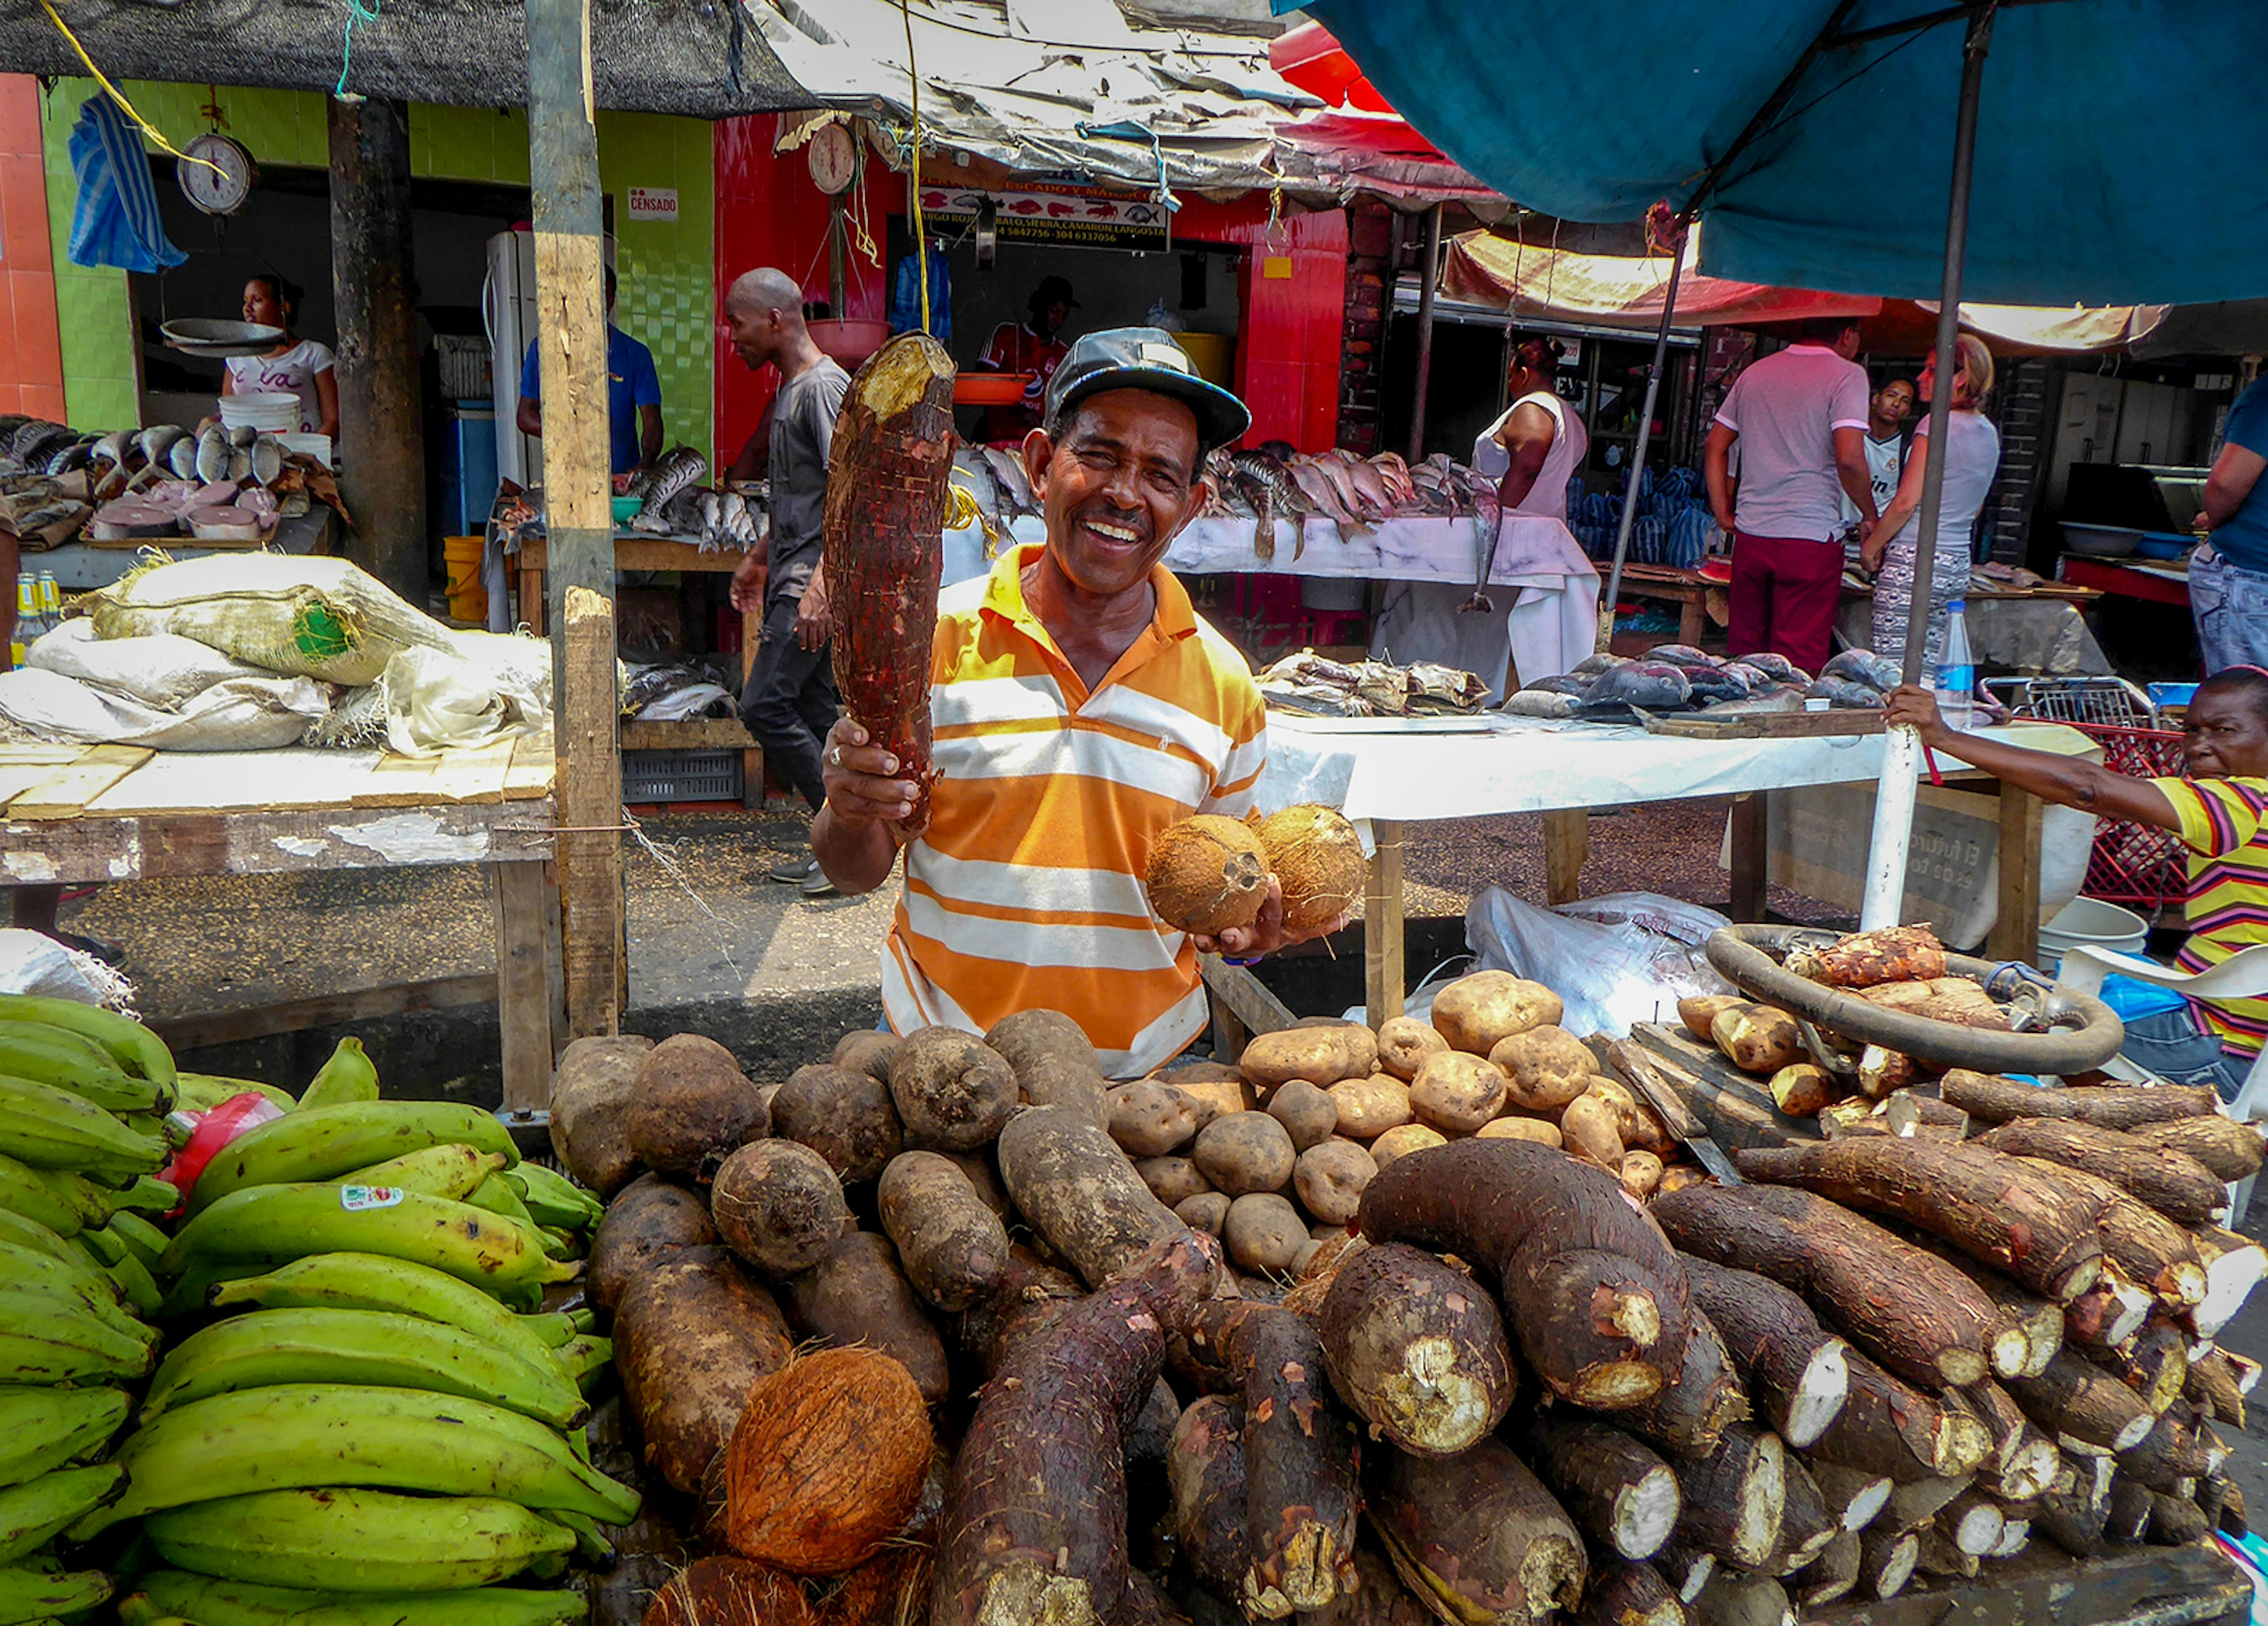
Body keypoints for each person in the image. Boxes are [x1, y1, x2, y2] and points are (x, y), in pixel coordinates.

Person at [812, 329, 1344, 1075]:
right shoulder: (932, 643)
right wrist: (848, 806)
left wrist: (1253, 932)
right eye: (1099, 455)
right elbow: (853, 870)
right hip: (940, 1071)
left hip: (1138, 1087)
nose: (1125, 493)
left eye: (1160, 474)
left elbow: (1221, 900)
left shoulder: (1226, 686)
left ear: (1191, 506)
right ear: (1038, 464)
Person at [1886, 670, 2268, 1100]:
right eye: (2191, 730)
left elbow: (2089, 787)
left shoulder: (2242, 805)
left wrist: (1946, 737)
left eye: (2224, 731)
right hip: (2252, 1051)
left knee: (2011, 1022)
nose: (2200, 746)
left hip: (2215, 1046)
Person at [723, 269, 852, 895]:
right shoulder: (790, 392)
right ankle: (845, 846)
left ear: (774, 321)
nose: (732, 338)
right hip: (794, 573)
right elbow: (804, 499)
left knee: (763, 704)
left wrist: (822, 588)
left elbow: (850, 498)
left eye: (737, 322)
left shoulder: (824, 389)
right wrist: (758, 557)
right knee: (812, 708)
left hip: (813, 584)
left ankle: (848, 840)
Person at [1369, 335, 1588, 700]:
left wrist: (1496, 515)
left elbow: (1529, 462)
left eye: (1510, 375)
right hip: (1534, 540)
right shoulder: (1571, 418)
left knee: (1430, 604)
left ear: (1521, 372)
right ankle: (1469, 693)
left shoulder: (1533, 408)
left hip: (1503, 535)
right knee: (1485, 627)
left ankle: (1409, 686)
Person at [1705, 315, 1877, 676]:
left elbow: (1716, 445)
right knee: (1796, 668)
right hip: (1809, 536)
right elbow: (1849, 458)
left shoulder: (1755, 373)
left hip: (1752, 535)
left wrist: (1723, 511)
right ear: (1847, 335)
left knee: (1746, 662)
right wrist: (1869, 513)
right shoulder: (1848, 375)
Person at [1862, 337, 2001, 674]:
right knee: (1928, 671)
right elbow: (1977, 507)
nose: (1922, 377)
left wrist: (1872, 547)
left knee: (1894, 670)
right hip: (1956, 562)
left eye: (1932, 370)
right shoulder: (1988, 433)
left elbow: (1907, 501)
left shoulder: (1934, 426)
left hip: (1916, 557)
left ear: (1961, 379)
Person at [516, 266, 663, 478]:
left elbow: (652, 421)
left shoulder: (636, 354)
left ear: (612, 300)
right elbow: (525, 416)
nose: (596, 304)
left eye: (604, 296)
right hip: (566, 480)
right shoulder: (545, 350)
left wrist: (646, 464)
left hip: (620, 481)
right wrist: (569, 436)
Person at [2191, 373, 2268, 673]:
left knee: (2245, 707)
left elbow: (2226, 484)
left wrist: (2214, 518)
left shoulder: (2264, 397)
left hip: (2250, 571)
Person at [221, 274, 338, 437]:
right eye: (246, 301)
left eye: (257, 300)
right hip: (249, 454)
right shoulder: (236, 357)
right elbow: (227, 413)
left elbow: (333, 420)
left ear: (284, 308)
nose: (248, 308)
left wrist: (311, 455)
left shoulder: (314, 354)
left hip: (300, 452)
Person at [972, 275, 1076, 442]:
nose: (1058, 320)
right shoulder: (1005, 334)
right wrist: (1016, 409)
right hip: (996, 438)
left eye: (1063, 315)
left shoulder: (1064, 354)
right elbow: (984, 381)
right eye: (1054, 311)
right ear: (1039, 305)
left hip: (1036, 445)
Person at [1842, 376, 1915, 534]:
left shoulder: (1908, 451)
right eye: (1891, 395)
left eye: (1904, 400)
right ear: (1876, 399)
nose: (1896, 404)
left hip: (1878, 540)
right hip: (1840, 535)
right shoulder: (1850, 439)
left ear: (1908, 412)